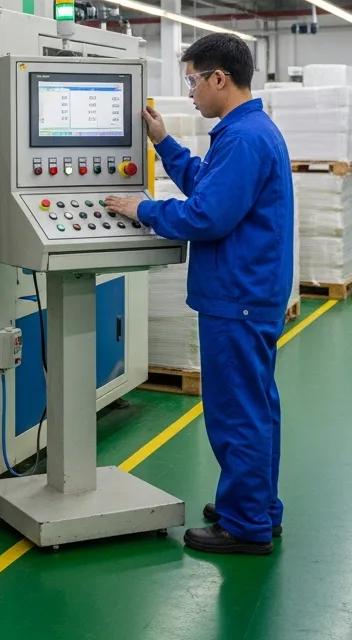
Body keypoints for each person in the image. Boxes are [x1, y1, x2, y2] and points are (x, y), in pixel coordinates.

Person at [105, 33, 293, 556]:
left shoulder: (243, 139)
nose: (189, 93)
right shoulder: (247, 131)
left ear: (219, 79)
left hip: (238, 296)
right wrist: (164, 143)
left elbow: (206, 216)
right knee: (257, 406)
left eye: (192, 80)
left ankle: (245, 524)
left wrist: (140, 209)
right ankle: (258, 506)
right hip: (249, 291)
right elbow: (209, 186)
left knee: (237, 412)